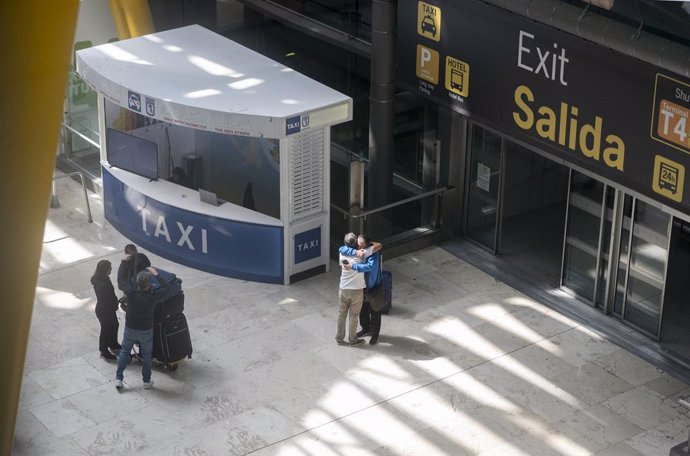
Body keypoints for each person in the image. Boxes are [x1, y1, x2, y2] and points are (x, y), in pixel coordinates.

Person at [115, 267, 169, 390]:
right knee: (146, 355)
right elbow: (166, 288)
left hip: (130, 328)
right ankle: (146, 381)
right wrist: (157, 274)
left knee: (125, 352)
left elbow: (121, 280)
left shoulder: (131, 293)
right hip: (146, 330)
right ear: (149, 283)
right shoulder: (153, 296)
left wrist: (124, 262)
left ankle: (119, 379)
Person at [336, 233, 378, 346]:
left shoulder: (342, 253)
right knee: (353, 316)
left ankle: (339, 338)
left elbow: (341, 248)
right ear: (357, 244)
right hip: (356, 290)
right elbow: (377, 246)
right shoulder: (362, 254)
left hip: (343, 288)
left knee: (341, 314)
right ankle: (353, 339)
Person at [90, 260, 121, 360]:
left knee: (114, 325)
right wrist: (114, 304)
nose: (111, 269)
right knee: (106, 329)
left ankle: (113, 344)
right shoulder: (101, 284)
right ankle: (103, 350)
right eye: (109, 268)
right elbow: (106, 298)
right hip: (105, 310)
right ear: (105, 270)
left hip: (108, 308)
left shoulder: (103, 279)